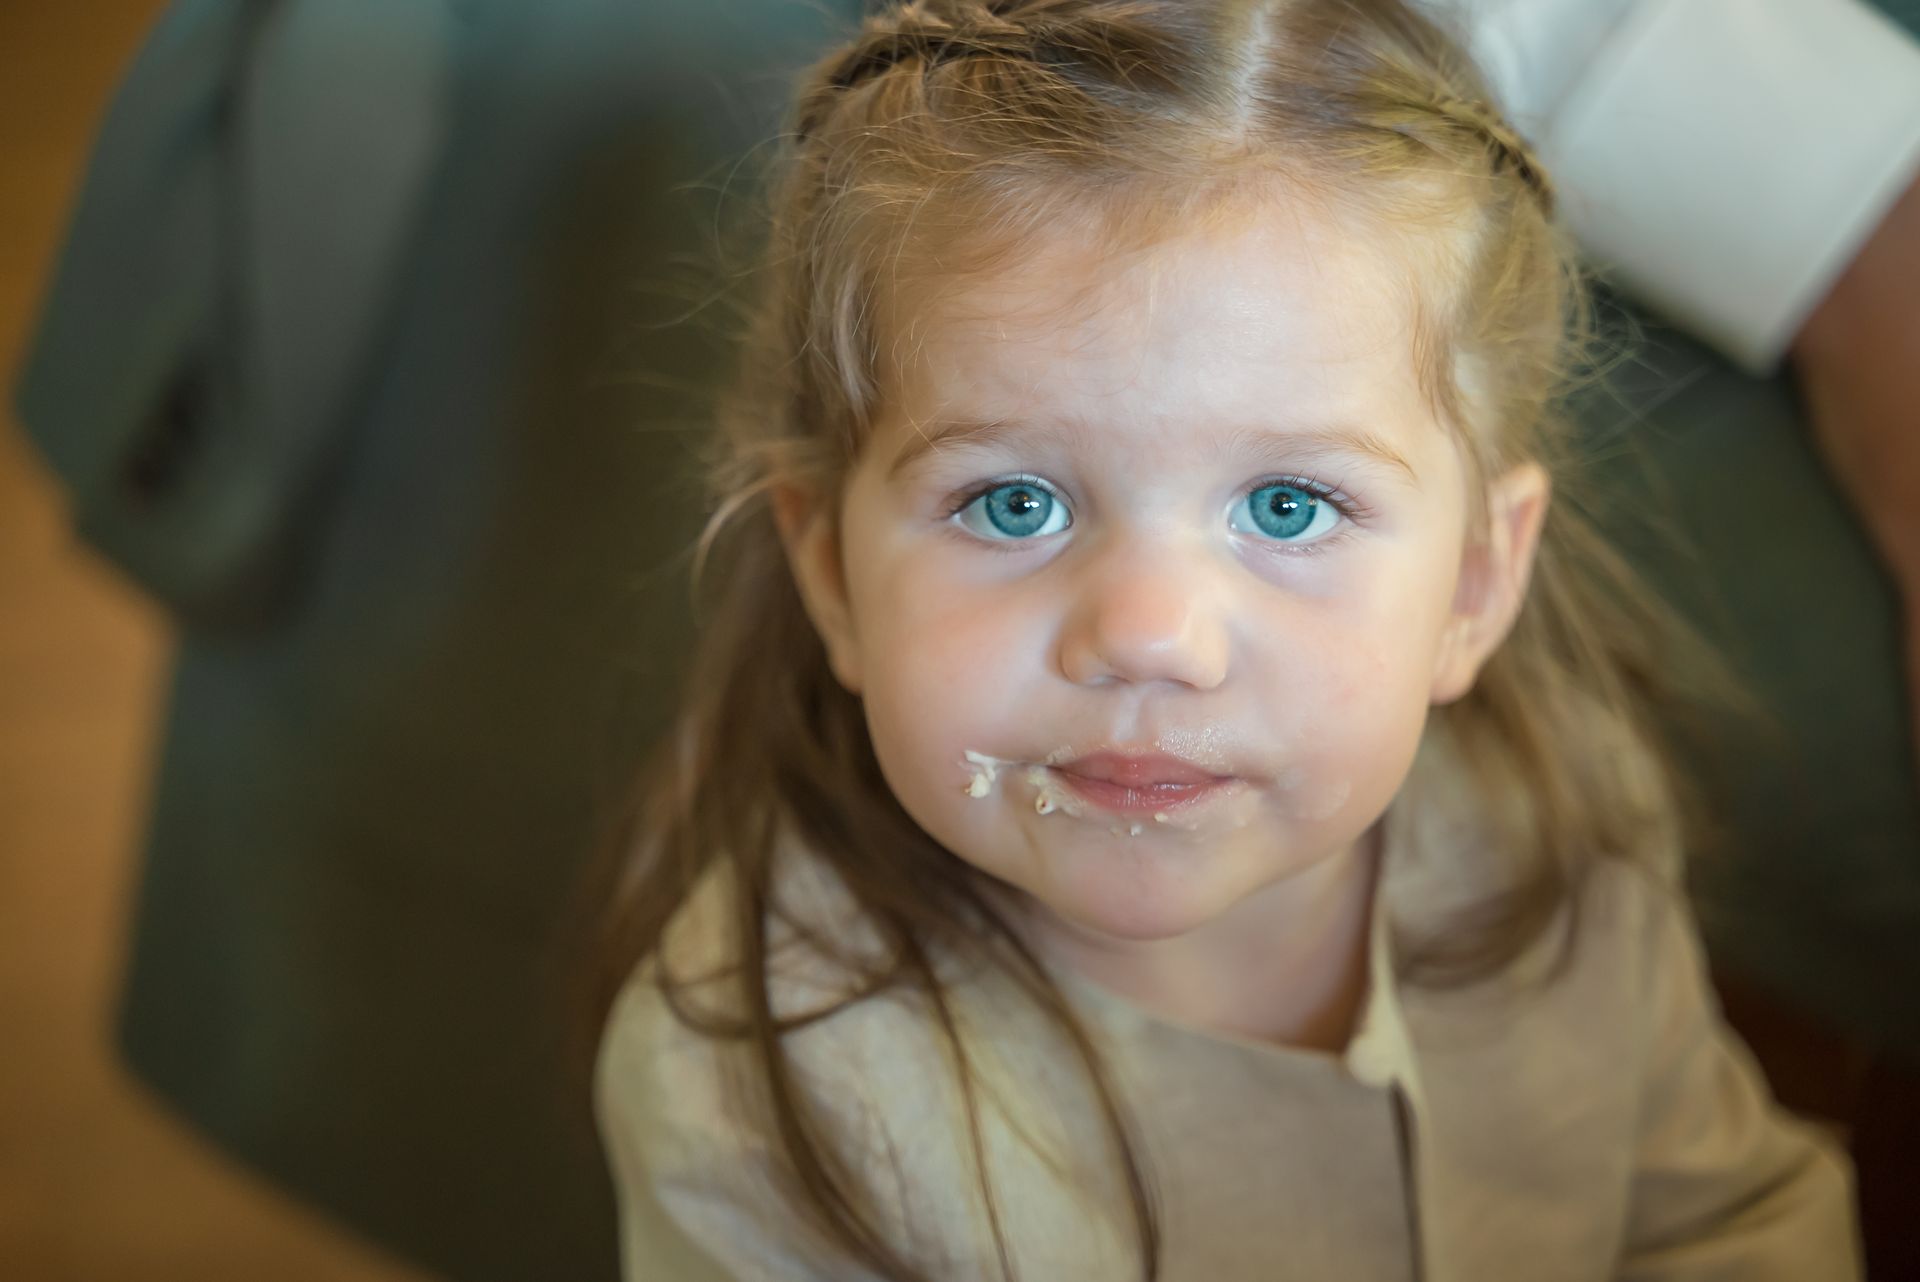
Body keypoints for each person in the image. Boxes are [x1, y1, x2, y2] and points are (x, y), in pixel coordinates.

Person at [587, 1, 1861, 1279]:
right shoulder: (754, 1099)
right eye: (1014, 503)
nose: (1150, 637)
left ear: (1474, 582)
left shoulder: (1560, 822)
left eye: (1287, 507)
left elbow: (1726, 1223)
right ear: (831, 573)